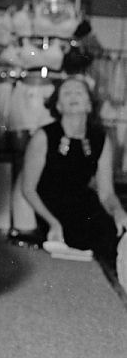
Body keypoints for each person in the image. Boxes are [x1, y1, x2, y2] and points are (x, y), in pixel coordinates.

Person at [21, 75, 127, 262]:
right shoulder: (44, 136)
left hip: (85, 207)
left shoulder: (100, 139)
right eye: (66, 93)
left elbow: (106, 193)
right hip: (52, 211)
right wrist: (53, 223)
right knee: (73, 245)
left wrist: (118, 211)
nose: (73, 96)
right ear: (59, 106)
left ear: (89, 105)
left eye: (79, 92)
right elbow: (28, 189)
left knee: (113, 234)